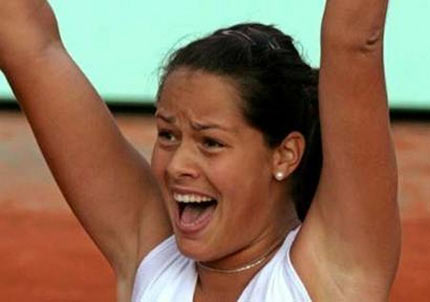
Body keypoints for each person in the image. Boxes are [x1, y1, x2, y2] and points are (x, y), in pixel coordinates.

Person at [0, 0, 400, 301]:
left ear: (285, 154)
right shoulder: (152, 254)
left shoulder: (333, 276)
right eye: (168, 135)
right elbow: (28, 40)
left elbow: (354, 40)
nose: (177, 165)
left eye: (210, 142)